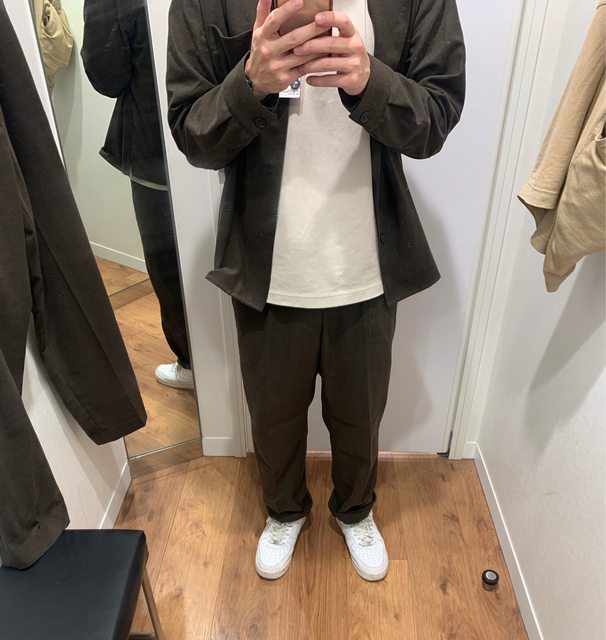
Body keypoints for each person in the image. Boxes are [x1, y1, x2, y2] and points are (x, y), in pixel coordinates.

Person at [167, 0, 465, 580]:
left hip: (368, 262)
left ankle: (356, 510)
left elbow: (437, 117)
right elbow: (192, 135)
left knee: (361, 415)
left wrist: (369, 79)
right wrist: (250, 82)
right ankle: (284, 511)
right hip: (265, 266)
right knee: (273, 417)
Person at [81, 0, 193, 390]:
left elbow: (107, 76)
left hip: (155, 148)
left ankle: (193, 364)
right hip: (224, 129)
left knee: (168, 268)